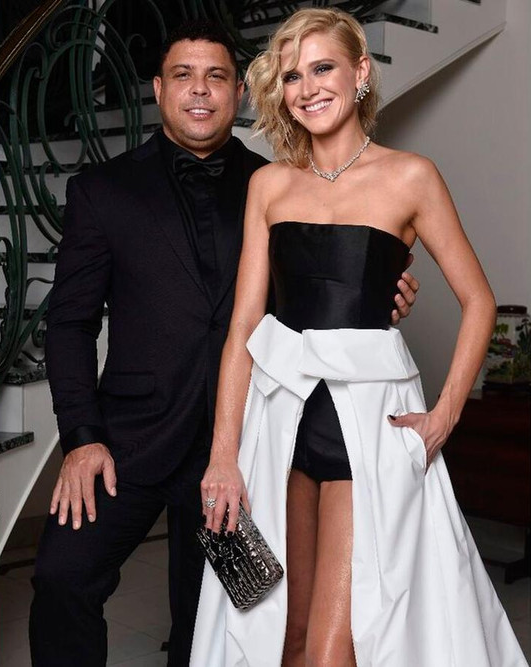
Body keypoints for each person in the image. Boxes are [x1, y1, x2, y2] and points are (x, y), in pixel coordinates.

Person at [30, 20, 420, 667]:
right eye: (183, 75)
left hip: (243, 444)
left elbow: (319, 296)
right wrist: (81, 437)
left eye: (216, 76)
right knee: (61, 578)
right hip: (126, 440)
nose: (200, 90)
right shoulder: (102, 190)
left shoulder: (282, 186)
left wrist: (379, 292)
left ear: (238, 92)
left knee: (221, 620)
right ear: (159, 89)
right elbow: (69, 324)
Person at [192, 8, 527, 667]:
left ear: (361, 72)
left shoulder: (411, 176)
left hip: (367, 433)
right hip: (278, 428)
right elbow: (243, 328)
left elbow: (479, 301)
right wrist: (223, 456)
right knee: (278, 636)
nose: (308, 88)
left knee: (335, 649)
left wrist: (443, 417)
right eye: (293, 76)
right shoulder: (268, 184)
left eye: (323, 68)